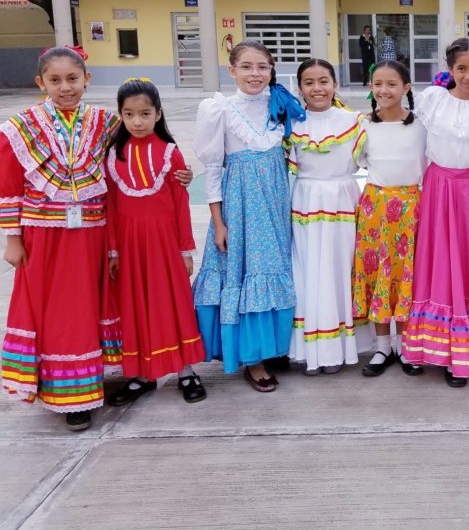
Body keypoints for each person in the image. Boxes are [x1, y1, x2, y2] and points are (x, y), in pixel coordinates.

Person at [0, 47, 121, 430]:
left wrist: (179, 174)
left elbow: (126, 171)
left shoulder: (107, 123)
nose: (65, 87)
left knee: (87, 306)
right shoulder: (20, 128)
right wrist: (12, 238)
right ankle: (68, 394)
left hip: (92, 234)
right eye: (55, 80)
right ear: (41, 83)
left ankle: (90, 379)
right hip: (43, 236)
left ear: (87, 79)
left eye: (72, 79)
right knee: (54, 312)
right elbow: (9, 186)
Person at [192, 40, 305, 393]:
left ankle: (273, 347)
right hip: (240, 207)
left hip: (276, 202)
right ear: (232, 70)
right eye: (246, 66)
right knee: (247, 273)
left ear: (272, 70)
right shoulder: (219, 109)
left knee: (275, 269)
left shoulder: (280, 104)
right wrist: (219, 223)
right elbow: (213, 169)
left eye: (262, 67)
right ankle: (253, 358)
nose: (255, 74)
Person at [403, 40, 469, 386]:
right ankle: (432, 349)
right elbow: (410, 137)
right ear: (449, 68)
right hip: (439, 187)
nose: (468, 76)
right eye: (461, 68)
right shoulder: (432, 100)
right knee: (439, 262)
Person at [105, 78, 207, 406]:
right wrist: (113, 250)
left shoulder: (170, 153)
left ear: (158, 114)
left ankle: (186, 371)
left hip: (164, 245)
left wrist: (185, 249)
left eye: (145, 114)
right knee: (136, 305)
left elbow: (180, 204)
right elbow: (111, 206)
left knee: (173, 303)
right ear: (120, 115)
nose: (137, 122)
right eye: (129, 114)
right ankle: (142, 373)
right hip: (129, 246)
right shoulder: (113, 155)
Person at [286, 59, 365, 375]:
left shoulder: (354, 121)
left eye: (323, 81)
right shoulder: (292, 123)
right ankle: (311, 351)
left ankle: (338, 349)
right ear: (300, 87)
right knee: (308, 272)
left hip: (343, 201)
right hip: (305, 202)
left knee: (339, 270)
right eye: (309, 82)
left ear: (335, 84)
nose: (317, 88)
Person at [352, 60, 427, 377]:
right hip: (375, 209)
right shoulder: (362, 126)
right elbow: (355, 162)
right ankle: (383, 347)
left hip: (412, 208)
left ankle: (407, 345)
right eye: (377, 84)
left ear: (406, 88)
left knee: (406, 275)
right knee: (378, 274)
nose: (384, 90)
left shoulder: (422, 125)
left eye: (392, 84)